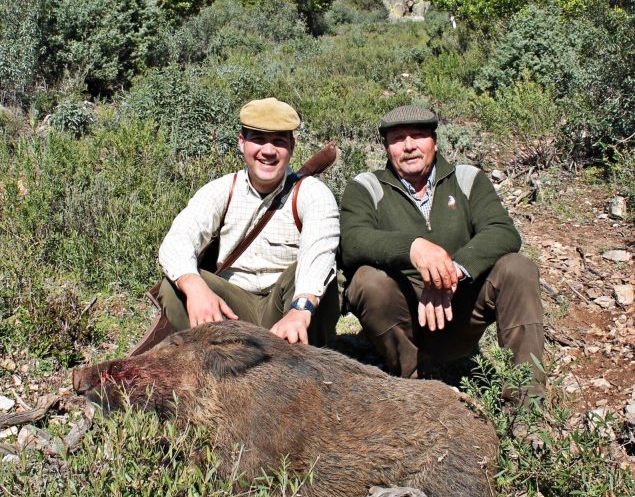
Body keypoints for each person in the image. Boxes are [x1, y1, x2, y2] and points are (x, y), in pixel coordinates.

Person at [340, 104, 545, 399]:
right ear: (386, 147)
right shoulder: (366, 187)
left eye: (418, 136)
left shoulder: (466, 179)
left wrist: (452, 272)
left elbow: (502, 231)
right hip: (402, 317)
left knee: (518, 268)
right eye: (398, 138)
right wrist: (412, 248)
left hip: (459, 311)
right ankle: (412, 381)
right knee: (366, 280)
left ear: (435, 142)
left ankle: (526, 406)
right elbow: (353, 241)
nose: (409, 146)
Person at [158, 97, 340, 346]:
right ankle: (217, 364)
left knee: (323, 281)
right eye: (258, 139)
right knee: (174, 286)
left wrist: (301, 308)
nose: (268, 151)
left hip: (287, 305)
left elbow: (319, 251)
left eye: (278, 141)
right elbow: (178, 239)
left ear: (292, 147)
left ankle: (300, 368)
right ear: (241, 143)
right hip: (234, 308)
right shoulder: (222, 190)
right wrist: (195, 287)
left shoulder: (311, 193)